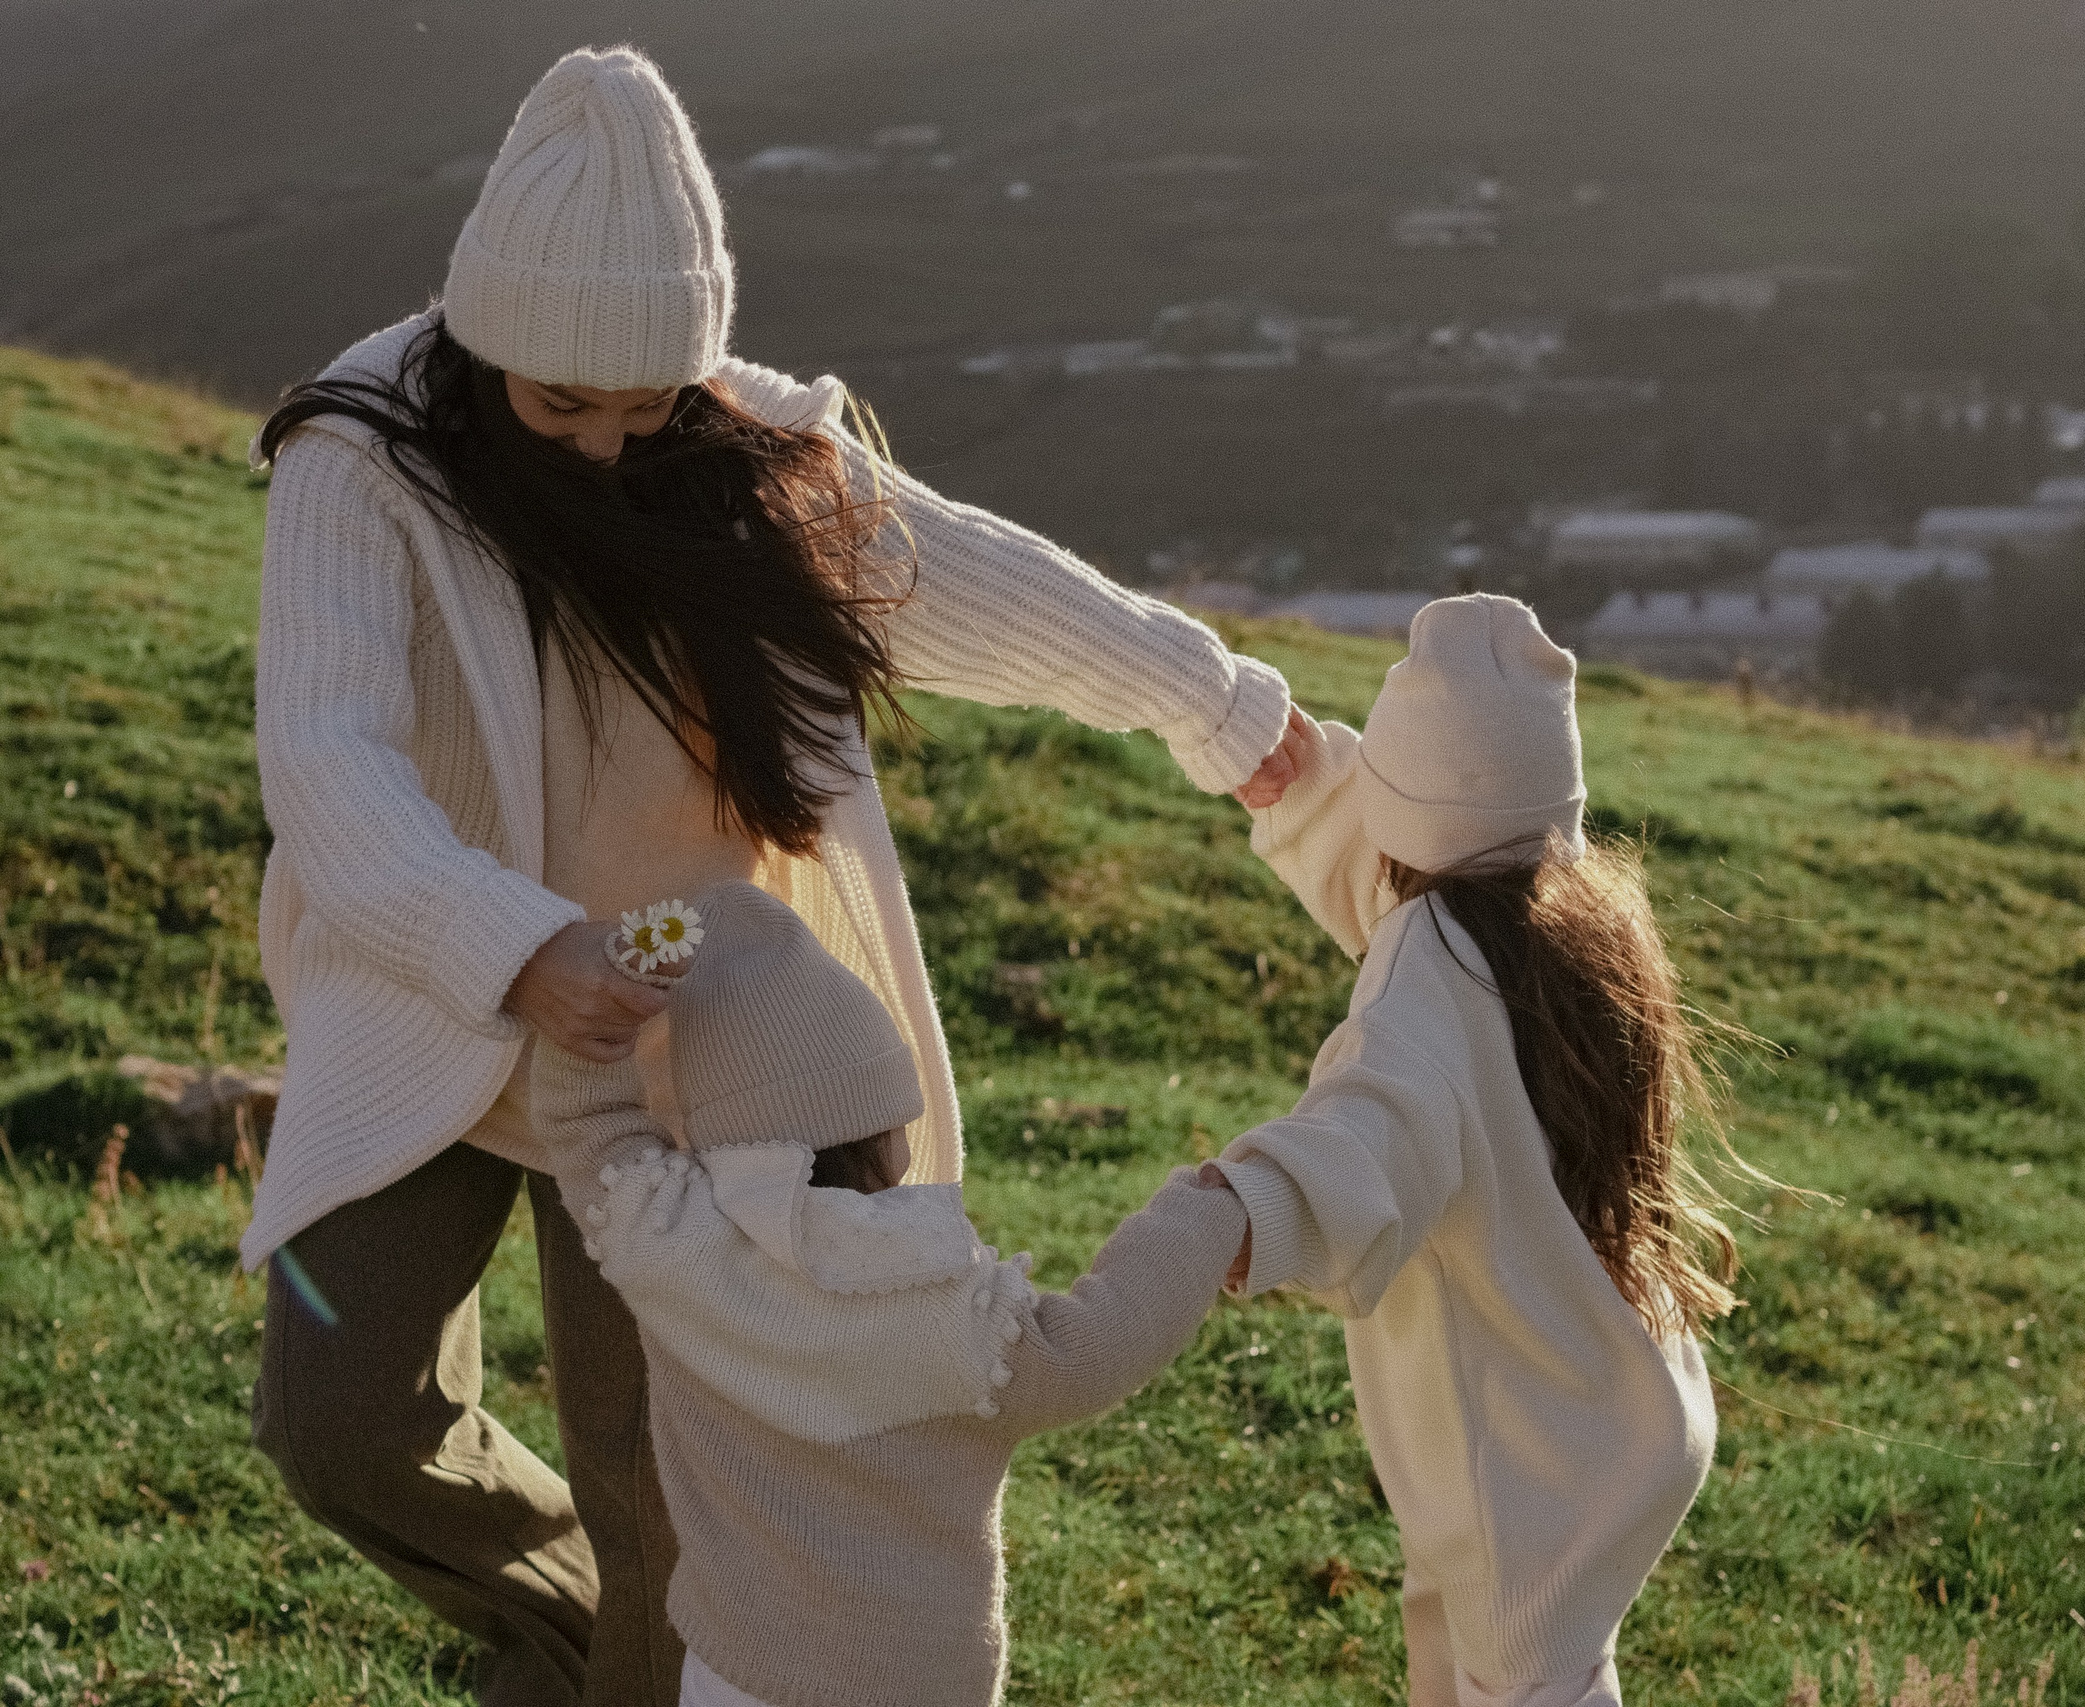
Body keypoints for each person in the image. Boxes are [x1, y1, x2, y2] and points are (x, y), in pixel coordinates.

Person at [241, 43, 1314, 1706]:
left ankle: (630, 1671)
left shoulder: (742, 452)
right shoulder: (364, 455)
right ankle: (563, 1633)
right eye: (559, 405)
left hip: (697, 1037)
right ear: (483, 334)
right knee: (340, 1420)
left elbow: (986, 588)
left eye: (644, 403)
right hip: (446, 1001)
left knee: (669, 1498)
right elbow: (328, 760)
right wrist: (517, 950)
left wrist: (1230, 712)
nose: (605, 444)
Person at [1207, 595, 1744, 1707]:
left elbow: (1374, 1126)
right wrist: (1313, 791)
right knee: (1462, 1652)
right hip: (1611, 1401)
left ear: (1400, 825)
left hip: (1519, 1467)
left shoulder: (1423, 975)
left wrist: (1255, 1205)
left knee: (1525, 1683)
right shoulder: (1566, 919)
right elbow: (1415, 876)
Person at [532, 881, 1249, 1707]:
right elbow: (1098, 1345)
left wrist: (623, 974)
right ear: (887, 1131)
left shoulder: (672, 1243)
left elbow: (586, 1123)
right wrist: (1205, 1212)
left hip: (733, 1672)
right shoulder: (945, 1307)